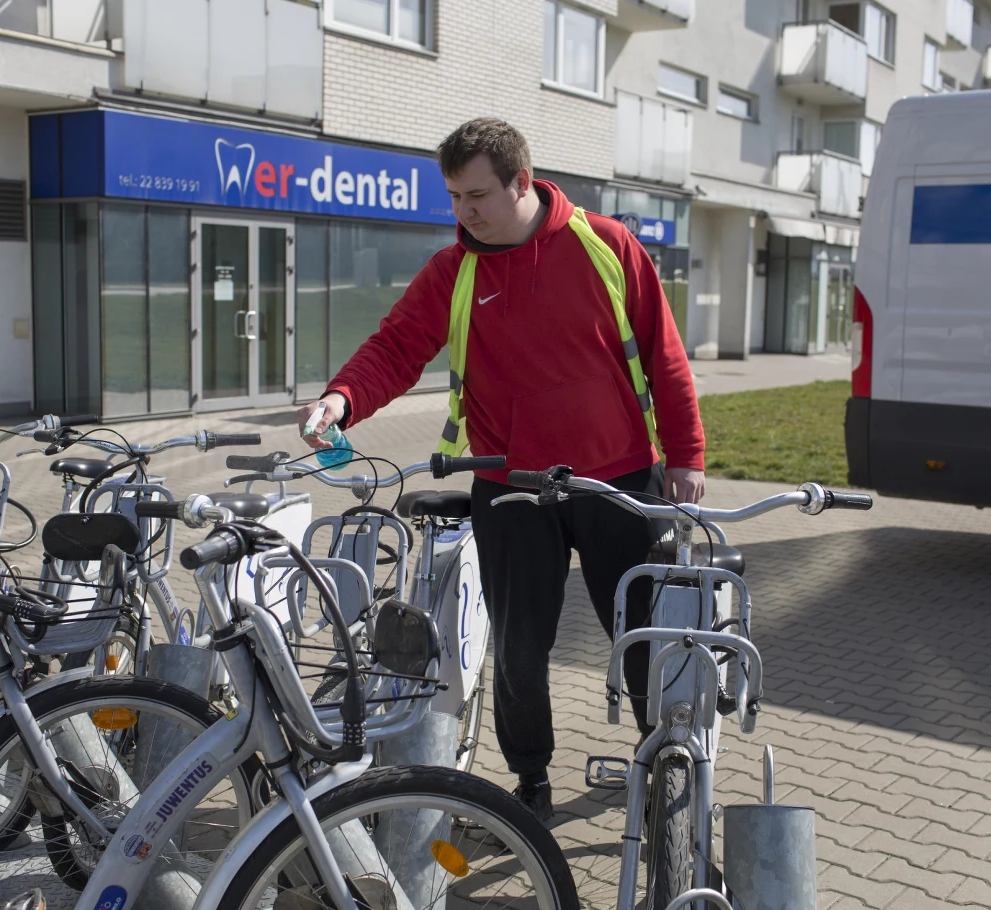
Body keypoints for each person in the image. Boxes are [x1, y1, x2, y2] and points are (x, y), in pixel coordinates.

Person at [296, 117, 706, 822]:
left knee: (644, 639)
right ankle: (531, 783)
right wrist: (343, 397)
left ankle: (662, 762)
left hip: (618, 480)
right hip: (511, 485)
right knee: (519, 648)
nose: (464, 213)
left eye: (477, 195)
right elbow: (396, 346)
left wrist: (687, 455)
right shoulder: (455, 271)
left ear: (524, 181)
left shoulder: (607, 247)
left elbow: (666, 357)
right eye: (454, 197)